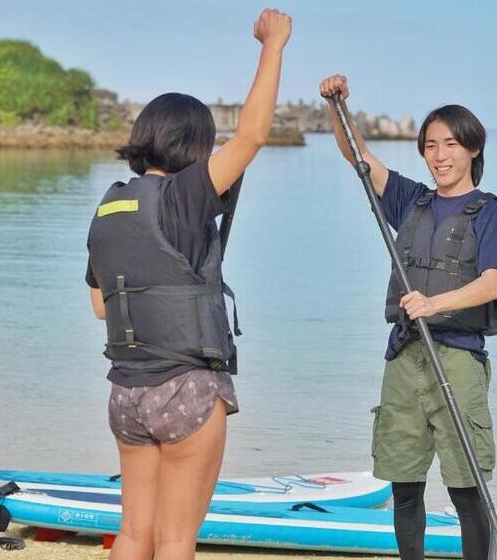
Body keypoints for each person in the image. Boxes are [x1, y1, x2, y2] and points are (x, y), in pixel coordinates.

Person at [86, 9, 291, 560]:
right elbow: (252, 136)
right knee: (177, 541)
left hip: (126, 394)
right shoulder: (183, 196)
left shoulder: (109, 207)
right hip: (186, 392)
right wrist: (273, 44)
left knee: (135, 534)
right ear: (194, 147)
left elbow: (102, 307)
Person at [320, 74, 497, 560]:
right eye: (430, 145)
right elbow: (357, 156)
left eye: (451, 144)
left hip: (459, 363)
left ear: (473, 148)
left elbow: (492, 283)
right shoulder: (411, 201)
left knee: (466, 491)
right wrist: (338, 105)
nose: (440, 155)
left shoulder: (490, 213)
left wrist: (432, 304)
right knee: (405, 488)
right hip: (406, 358)